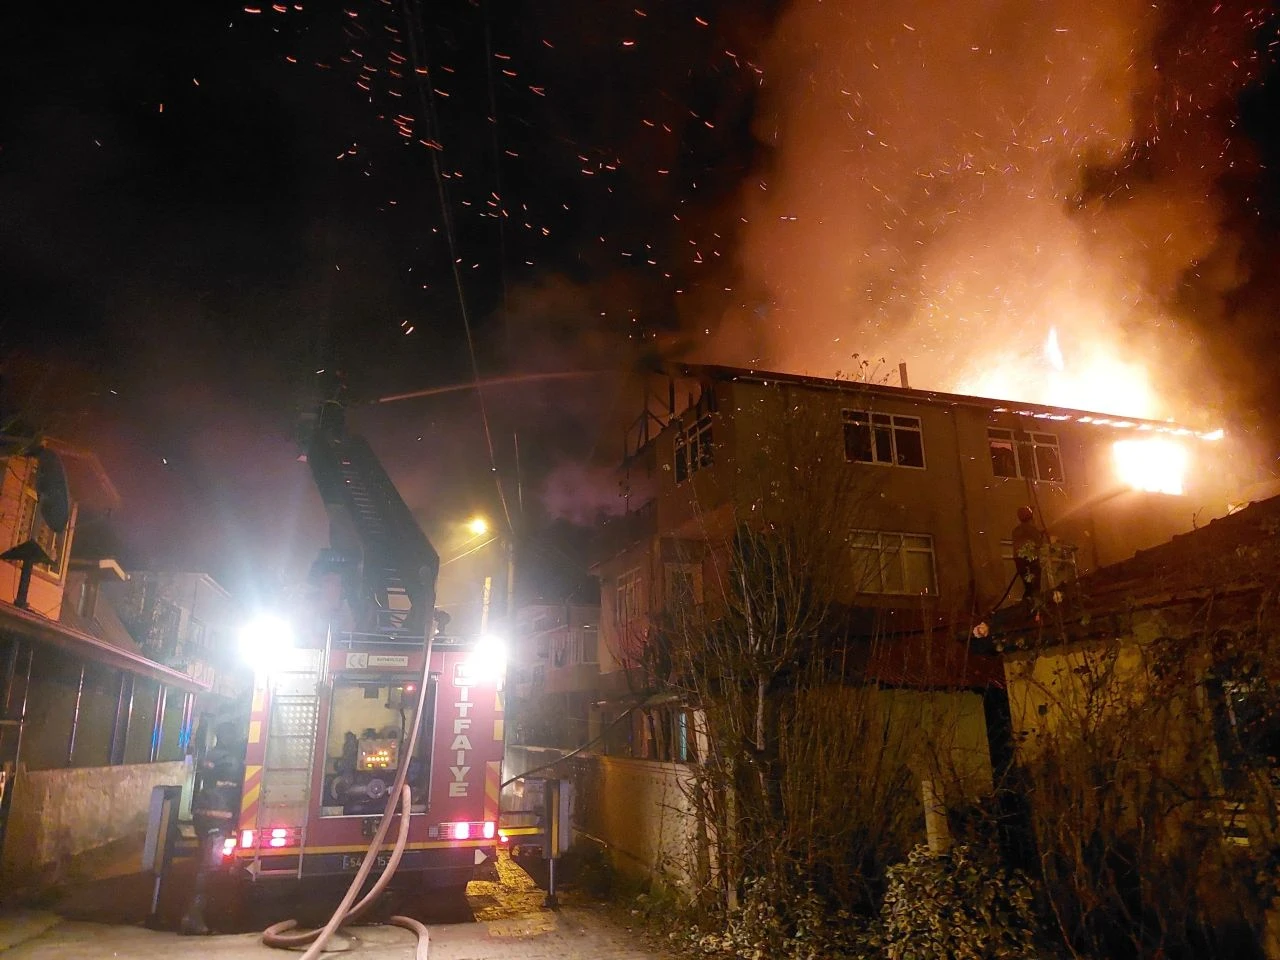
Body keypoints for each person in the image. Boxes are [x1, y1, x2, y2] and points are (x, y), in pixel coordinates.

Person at [181, 720, 247, 935]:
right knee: (210, 868)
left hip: (204, 817)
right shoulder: (232, 762)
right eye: (234, 735)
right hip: (217, 820)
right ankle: (194, 917)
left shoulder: (212, 756)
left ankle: (200, 916)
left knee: (207, 865)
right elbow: (239, 783)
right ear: (227, 737)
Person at [1011, 506, 1044, 601]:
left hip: (1020, 561)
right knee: (1035, 587)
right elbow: (1039, 544)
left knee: (1028, 586)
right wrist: (1040, 535)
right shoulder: (1032, 529)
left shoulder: (1016, 530)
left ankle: (1028, 602)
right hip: (1031, 560)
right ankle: (1035, 603)